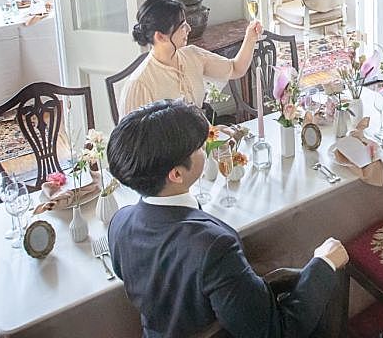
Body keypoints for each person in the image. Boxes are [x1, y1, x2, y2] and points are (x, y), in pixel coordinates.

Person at [107, 100, 347, 338]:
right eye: (199, 148)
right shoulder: (213, 246)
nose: (205, 147)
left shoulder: (120, 222)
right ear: (177, 174)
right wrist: (323, 264)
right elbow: (277, 331)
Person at [120, 0, 263, 116]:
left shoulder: (193, 55)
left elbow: (236, 69)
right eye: (182, 25)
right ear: (160, 36)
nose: (188, 29)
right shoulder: (140, 85)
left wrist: (250, 37)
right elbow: (130, 139)